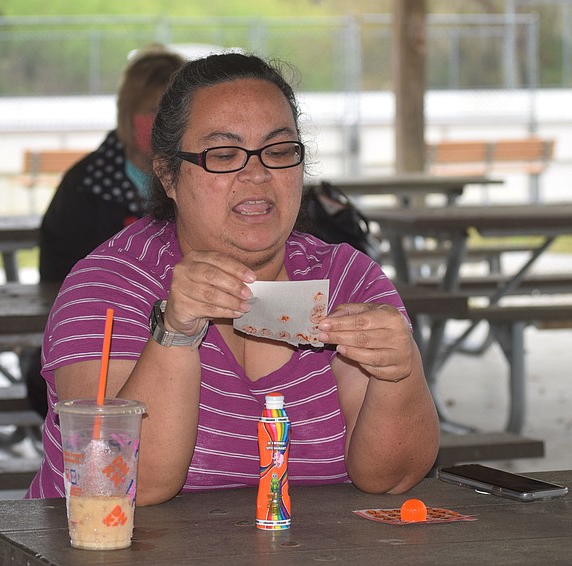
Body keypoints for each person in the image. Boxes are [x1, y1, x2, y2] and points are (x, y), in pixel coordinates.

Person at [26, 52, 440, 504]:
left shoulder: (347, 279)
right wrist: (175, 332)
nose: (258, 174)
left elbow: (391, 478)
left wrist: (399, 371)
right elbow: (122, 485)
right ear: (168, 175)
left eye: (279, 151)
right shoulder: (107, 286)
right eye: (224, 155)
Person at [22, 45, 185, 418]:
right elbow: (57, 280)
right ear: (128, 118)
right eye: (151, 114)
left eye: (174, 117)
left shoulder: (207, 180)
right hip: (101, 334)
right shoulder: (84, 187)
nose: (162, 127)